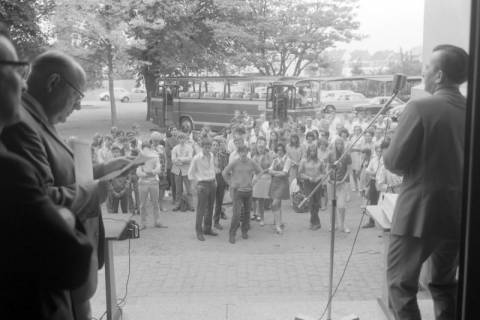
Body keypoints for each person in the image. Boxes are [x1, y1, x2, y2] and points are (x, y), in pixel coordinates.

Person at [1, 50, 130, 320]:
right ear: (53, 83)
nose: (79, 106)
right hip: (51, 284)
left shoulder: (39, 120)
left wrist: (102, 170)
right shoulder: (22, 124)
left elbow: (60, 176)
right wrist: (97, 190)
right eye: (77, 96)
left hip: (69, 287)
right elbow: (43, 198)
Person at [0, 25, 94, 320]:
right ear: (54, 82)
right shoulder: (9, 165)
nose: (24, 85)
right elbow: (70, 258)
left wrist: (100, 169)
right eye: (17, 70)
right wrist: (66, 215)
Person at [384, 44, 468, 320]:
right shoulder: (470, 109)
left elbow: (395, 162)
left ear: (440, 75)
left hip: (418, 214)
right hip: (458, 213)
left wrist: (387, 146)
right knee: (445, 285)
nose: (424, 71)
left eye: (428, 67)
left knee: (400, 284)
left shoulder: (420, 107)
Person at [222, 145, 262, 244]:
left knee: (247, 213)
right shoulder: (235, 162)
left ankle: (244, 231)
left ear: (247, 152)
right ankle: (232, 234)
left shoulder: (251, 162)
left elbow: (260, 171)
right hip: (238, 191)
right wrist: (231, 183)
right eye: (241, 152)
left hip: (248, 191)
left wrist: (255, 180)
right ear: (239, 153)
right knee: (236, 214)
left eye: (245, 151)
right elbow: (224, 173)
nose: (243, 154)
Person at [188, 138, 218, 241]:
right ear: (202, 147)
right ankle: (199, 231)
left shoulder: (212, 155)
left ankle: (208, 228)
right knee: (201, 209)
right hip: (203, 184)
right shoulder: (197, 158)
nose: (208, 149)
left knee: (210, 207)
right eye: (206, 147)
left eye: (209, 147)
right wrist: (195, 185)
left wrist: (215, 181)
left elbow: (212, 168)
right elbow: (191, 173)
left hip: (212, 183)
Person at [136, 142, 167, 229]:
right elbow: (138, 172)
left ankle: (157, 222)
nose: (146, 150)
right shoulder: (140, 158)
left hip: (154, 182)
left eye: (147, 148)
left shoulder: (155, 156)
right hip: (142, 183)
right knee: (142, 204)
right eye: (144, 148)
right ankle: (143, 223)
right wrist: (147, 174)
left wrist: (151, 172)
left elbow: (158, 168)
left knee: (155, 203)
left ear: (150, 149)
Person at [326, 138, 352, 233]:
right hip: (331, 184)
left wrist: (342, 181)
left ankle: (343, 224)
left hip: (342, 184)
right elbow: (328, 167)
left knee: (341, 205)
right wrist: (328, 178)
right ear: (335, 145)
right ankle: (334, 224)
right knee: (332, 205)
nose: (339, 146)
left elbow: (349, 170)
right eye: (337, 144)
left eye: (341, 144)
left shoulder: (347, 155)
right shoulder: (330, 154)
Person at [298, 144, 325, 230]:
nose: (312, 153)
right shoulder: (304, 161)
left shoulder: (320, 161)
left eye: (314, 151)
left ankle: (313, 221)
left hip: (318, 183)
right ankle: (316, 222)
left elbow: (324, 173)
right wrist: (309, 177)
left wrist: (318, 178)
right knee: (310, 202)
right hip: (308, 183)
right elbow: (300, 173)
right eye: (311, 151)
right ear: (308, 151)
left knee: (317, 203)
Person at [268, 143, 292, 234]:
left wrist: (274, 172)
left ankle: (277, 225)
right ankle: (279, 222)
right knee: (277, 203)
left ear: (284, 151)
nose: (279, 152)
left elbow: (285, 173)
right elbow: (269, 171)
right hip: (274, 183)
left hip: (282, 183)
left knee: (274, 204)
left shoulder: (288, 159)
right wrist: (277, 173)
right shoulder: (275, 160)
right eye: (278, 150)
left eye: (281, 150)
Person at [252, 136, 274, 226]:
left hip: (267, 179)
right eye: (259, 146)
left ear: (265, 146)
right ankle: (261, 218)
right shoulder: (254, 156)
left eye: (262, 146)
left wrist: (263, 171)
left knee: (271, 200)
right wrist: (257, 173)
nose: (261, 148)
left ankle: (276, 220)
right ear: (257, 146)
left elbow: (272, 167)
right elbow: (252, 168)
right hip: (258, 179)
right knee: (259, 199)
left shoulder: (269, 155)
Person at [171, 132, 194, 211]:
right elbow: (173, 159)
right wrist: (183, 160)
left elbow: (190, 158)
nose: (181, 140)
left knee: (188, 189)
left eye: (183, 138)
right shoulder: (175, 148)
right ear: (178, 139)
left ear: (186, 139)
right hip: (177, 171)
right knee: (178, 189)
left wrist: (180, 159)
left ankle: (191, 204)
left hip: (186, 171)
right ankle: (177, 204)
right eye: (180, 138)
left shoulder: (189, 148)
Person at [212, 137, 229, 229]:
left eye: (216, 145)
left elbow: (226, 168)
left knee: (219, 202)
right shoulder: (208, 155)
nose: (215, 147)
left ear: (219, 146)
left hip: (220, 178)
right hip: (210, 179)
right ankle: (207, 222)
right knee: (209, 202)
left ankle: (216, 221)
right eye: (213, 145)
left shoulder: (223, 156)